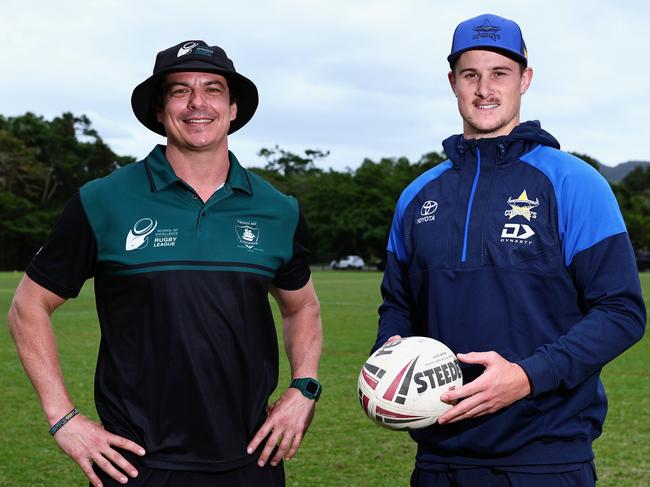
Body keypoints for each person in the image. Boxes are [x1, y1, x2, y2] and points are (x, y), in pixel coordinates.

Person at [8, 40, 323, 487]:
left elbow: (302, 307)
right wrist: (64, 418)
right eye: (179, 91)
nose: (198, 103)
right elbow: (28, 306)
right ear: (160, 110)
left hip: (253, 459)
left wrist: (304, 386)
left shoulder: (278, 209)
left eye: (213, 89)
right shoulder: (103, 201)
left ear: (233, 108)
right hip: (136, 463)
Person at [373, 14, 646, 486]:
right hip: (439, 458)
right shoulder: (418, 195)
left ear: (525, 79)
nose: (485, 89)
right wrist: (389, 354)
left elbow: (622, 311)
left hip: (545, 457)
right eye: (470, 74)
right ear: (452, 82)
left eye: (500, 73)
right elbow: (399, 305)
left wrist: (528, 376)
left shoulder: (573, 182)